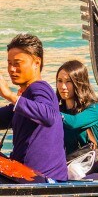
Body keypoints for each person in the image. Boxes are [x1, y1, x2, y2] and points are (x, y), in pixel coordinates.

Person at [1, 34, 68, 182]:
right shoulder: (25, 98)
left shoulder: (40, 88)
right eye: (9, 63)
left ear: (36, 63)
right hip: (26, 177)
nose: (11, 69)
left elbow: (49, 116)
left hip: (46, 181)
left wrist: (9, 95)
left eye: (17, 63)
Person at [55, 59, 98, 179]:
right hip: (66, 168)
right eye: (59, 81)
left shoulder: (94, 108)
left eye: (68, 82)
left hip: (93, 169)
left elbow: (74, 122)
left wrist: (49, 113)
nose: (63, 86)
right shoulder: (58, 109)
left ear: (79, 83)